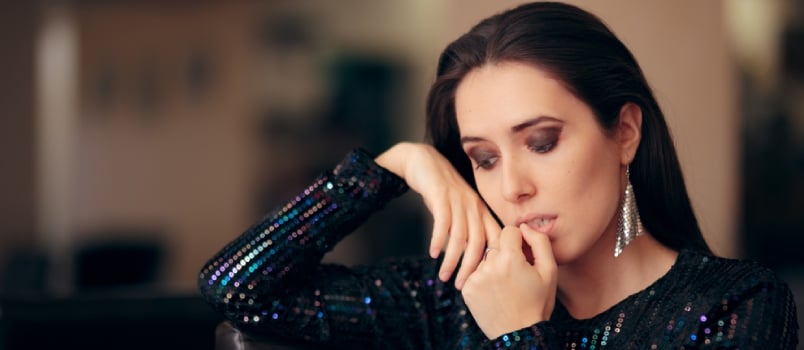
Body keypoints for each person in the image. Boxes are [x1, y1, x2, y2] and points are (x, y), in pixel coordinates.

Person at [199, 2, 799, 349]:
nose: (512, 187)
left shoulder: (736, 305)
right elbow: (236, 286)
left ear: (625, 133)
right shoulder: (454, 297)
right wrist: (394, 165)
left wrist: (518, 334)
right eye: (483, 158)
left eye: (541, 142)